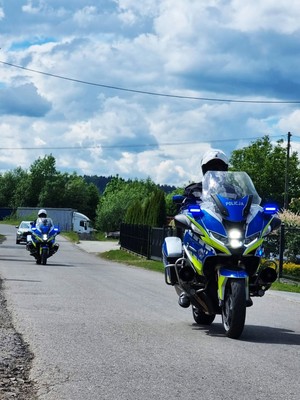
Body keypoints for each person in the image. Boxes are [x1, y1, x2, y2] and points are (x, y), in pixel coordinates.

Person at [177, 149, 229, 308]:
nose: (216, 170)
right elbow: (184, 207)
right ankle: (185, 280)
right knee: (186, 237)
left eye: (220, 167)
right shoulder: (194, 189)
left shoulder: (233, 190)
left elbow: (247, 204)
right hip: (203, 230)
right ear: (205, 169)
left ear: (225, 170)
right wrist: (186, 205)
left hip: (226, 230)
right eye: (212, 166)